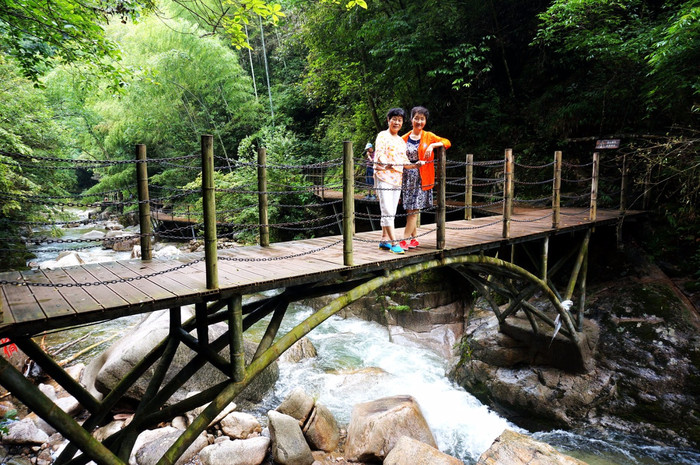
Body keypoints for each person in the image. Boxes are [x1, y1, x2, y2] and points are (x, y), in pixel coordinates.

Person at [399, 106, 451, 250]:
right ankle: (414, 240)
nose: (419, 121)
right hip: (407, 178)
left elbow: (447, 142)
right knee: (410, 210)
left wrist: (433, 145)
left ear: (425, 121)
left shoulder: (429, 136)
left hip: (422, 179)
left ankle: (403, 240)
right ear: (411, 120)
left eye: (422, 119)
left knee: (413, 211)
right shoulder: (403, 139)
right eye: (416, 118)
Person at [374, 108, 424, 254]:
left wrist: (416, 164)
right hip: (383, 176)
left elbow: (404, 161)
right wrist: (385, 164)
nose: (396, 122)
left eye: (399, 120)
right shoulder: (382, 135)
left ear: (402, 123)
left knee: (392, 211)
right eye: (394, 119)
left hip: (397, 178)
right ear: (388, 120)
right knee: (387, 210)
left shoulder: (401, 141)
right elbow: (380, 154)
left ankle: (384, 240)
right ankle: (394, 243)